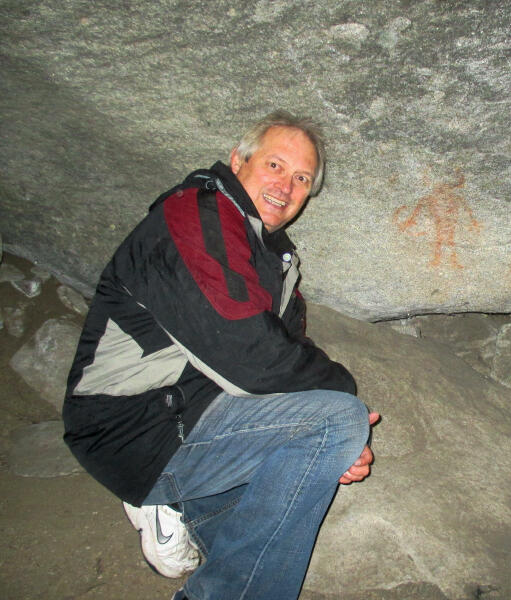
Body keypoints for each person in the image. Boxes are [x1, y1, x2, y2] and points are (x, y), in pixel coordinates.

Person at [63, 110, 379, 600]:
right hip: (130, 426)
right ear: (238, 161)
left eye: (301, 178)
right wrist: (343, 409)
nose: (287, 186)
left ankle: (181, 505)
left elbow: (289, 350)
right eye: (275, 165)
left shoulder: (273, 256)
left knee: (318, 443)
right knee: (335, 420)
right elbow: (251, 354)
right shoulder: (197, 215)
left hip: (197, 413)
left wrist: (337, 446)